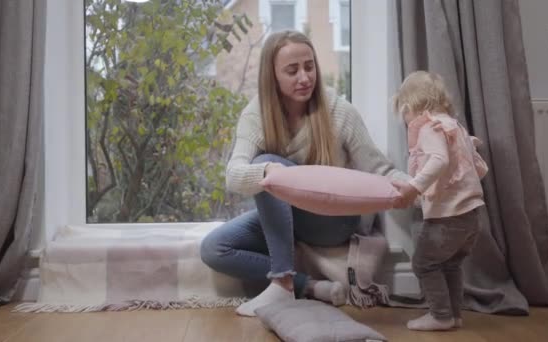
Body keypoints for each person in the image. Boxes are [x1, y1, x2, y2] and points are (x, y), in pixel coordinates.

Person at [200, 30, 406, 317]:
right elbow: (233, 175)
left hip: (336, 219)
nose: (304, 77)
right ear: (272, 76)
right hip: (290, 216)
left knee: (272, 165)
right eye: (292, 70)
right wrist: (270, 171)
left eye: (309, 66)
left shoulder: (339, 111)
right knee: (214, 248)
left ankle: (282, 283)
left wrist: (418, 188)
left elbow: (380, 169)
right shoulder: (256, 115)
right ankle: (309, 287)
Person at [391, 71, 489, 331]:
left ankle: (441, 315)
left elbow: (440, 160)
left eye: (404, 116)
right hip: (470, 216)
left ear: (410, 107)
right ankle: (454, 315)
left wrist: (414, 187)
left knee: (423, 262)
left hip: (448, 218)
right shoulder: (453, 125)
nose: (406, 122)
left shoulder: (428, 127)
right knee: (451, 264)